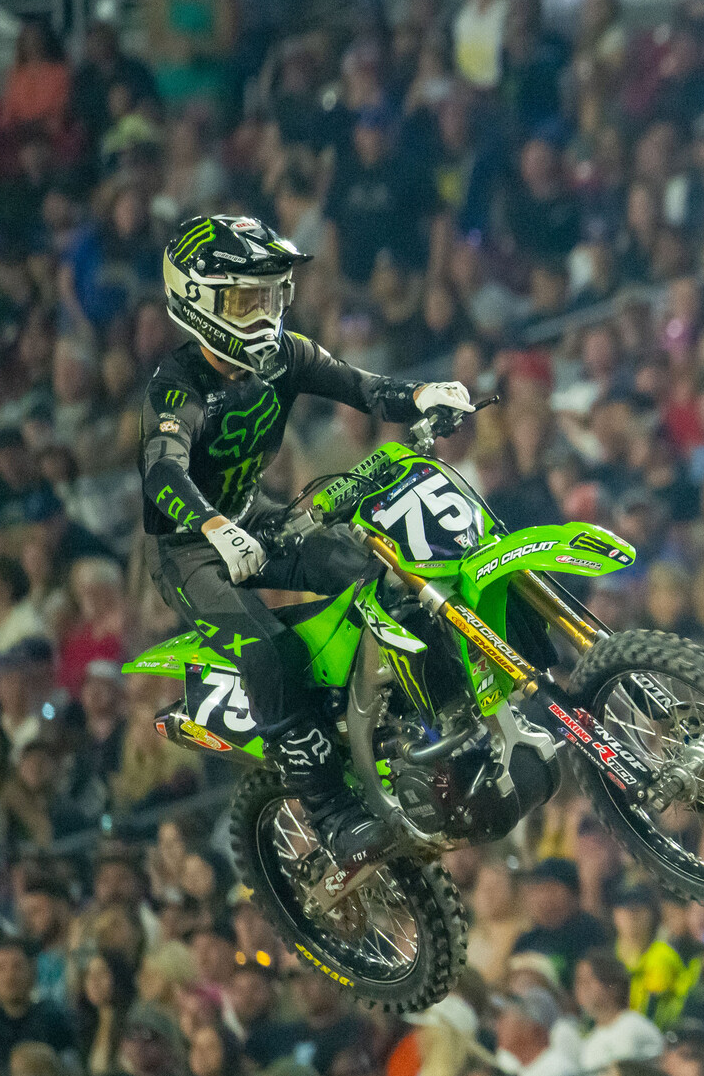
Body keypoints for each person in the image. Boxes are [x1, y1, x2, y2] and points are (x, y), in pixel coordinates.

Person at [140, 214, 472, 865]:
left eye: (272, 296)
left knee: (381, 573)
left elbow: (361, 387)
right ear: (198, 301)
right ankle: (332, 814)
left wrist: (423, 393)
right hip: (188, 549)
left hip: (255, 515)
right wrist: (214, 527)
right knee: (270, 652)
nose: (265, 313)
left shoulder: (284, 355)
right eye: (246, 300)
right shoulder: (176, 386)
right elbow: (162, 474)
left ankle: (435, 716)